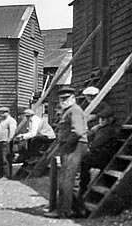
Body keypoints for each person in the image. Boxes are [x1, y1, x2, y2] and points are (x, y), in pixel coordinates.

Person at [44, 86, 88, 219]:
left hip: (74, 146)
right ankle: (79, 211)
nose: (63, 101)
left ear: (73, 98)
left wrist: (67, 145)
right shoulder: (68, 111)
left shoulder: (74, 110)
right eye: (61, 99)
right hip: (72, 145)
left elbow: (77, 132)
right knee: (71, 180)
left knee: (66, 179)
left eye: (66, 98)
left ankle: (63, 211)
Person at [78, 109, 118, 199]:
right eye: (100, 119)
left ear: (110, 119)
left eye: (103, 119)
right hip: (100, 154)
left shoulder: (108, 130)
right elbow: (90, 138)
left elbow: (95, 144)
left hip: (105, 156)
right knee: (85, 159)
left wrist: (90, 146)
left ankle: (83, 187)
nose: (101, 121)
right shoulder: (102, 129)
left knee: (85, 160)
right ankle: (83, 185)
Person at [0, 106, 17, 180]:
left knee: (5, 158)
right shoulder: (2, 121)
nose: (1, 115)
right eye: (0, 113)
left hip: (5, 141)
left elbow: (12, 131)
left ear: (7, 113)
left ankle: (6, 175)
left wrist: (9, 139)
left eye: (2, 113)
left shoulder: (11, 120)